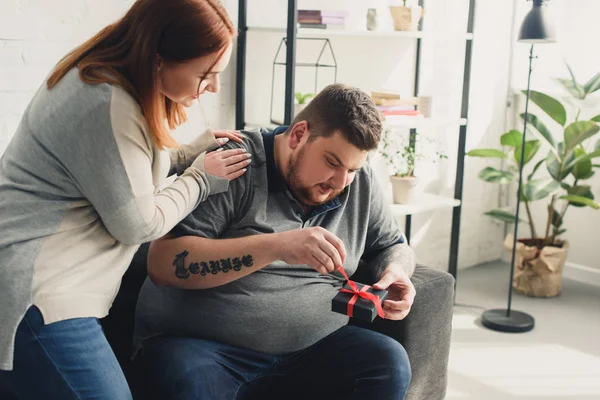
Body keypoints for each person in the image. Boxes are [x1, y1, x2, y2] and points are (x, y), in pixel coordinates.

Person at [0, 1, 248, 399]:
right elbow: (139, 222)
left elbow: (112, 168)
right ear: (159, 59)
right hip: (38, 296)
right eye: (206, 75)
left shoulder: (96, 77)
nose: (214, 88)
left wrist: (187, 154)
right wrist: (202, 178)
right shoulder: (108, 103)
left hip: (29, 283)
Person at [134, 83, 418, 400]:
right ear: (298, 135)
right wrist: (277, 246)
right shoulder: (233, 163)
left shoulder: (357, 182)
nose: (340, 182)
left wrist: (397, 270)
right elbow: (163, 263)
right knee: (186, 378)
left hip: (314, 349)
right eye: (332, 162)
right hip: (204, 349)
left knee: (388, 362)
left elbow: (393, 244)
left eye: (352, 169)